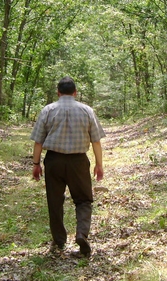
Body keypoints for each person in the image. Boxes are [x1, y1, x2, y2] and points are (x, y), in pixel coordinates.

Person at [31, 76, 105, 257]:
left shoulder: (48, 110)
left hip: (54, 161)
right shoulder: (87, 110)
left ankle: (59, 240)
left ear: (58, 92)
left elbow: (38, 142)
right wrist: (99, 164)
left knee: (54, 201)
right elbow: (96, 141)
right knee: (83, 199)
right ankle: (81, 233)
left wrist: (36, 164)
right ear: (75, 93)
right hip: (78, 162)